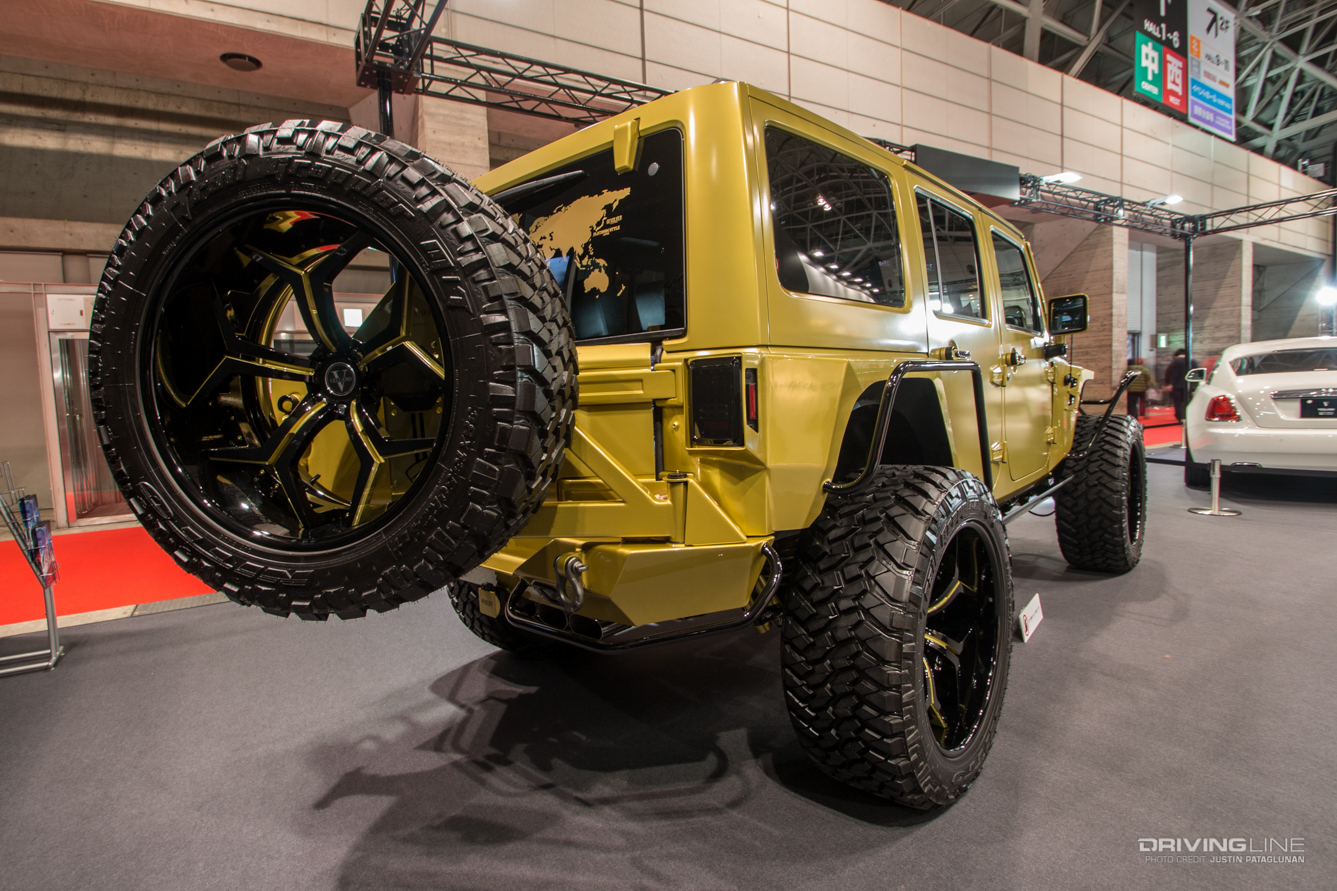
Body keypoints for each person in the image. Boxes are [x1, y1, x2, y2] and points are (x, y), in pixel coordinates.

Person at [1164, 348, 1192, 422]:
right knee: (1188, 402)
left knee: (1178, 402)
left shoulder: (1176, 362)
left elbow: (1174, 374)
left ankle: (1180, 417)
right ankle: (1188, 416)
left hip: (1177, 386)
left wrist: (1170, 384)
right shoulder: (1192, 361)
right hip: (1189, 385)